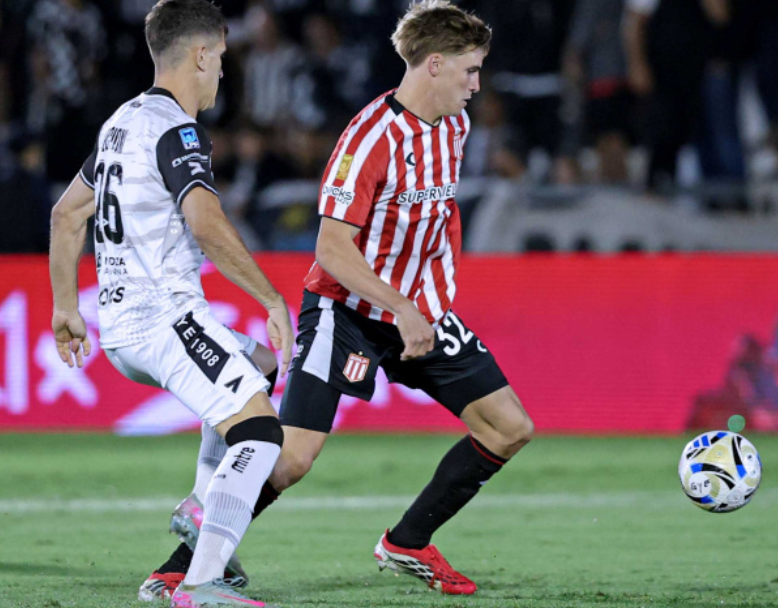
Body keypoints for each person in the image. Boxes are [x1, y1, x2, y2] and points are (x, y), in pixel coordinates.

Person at [142, 0, 534, 598]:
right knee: (292, 459)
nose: (477, 85)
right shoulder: (370, 138)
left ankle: (407, 542)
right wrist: (400, 306)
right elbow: (330, 248)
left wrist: (424, 298)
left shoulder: (454, 125)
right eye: (470, 70)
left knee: (508, 427)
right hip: (345, 312)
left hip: (418, 313)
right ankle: (179, 567)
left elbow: (431, 216)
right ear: (434, 64)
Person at [48, 1, 294, 607]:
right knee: (260, 433)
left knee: (259, 365)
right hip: (163, 320)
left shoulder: (121, 122)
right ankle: (201, 585)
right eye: (222, 58)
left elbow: (67, 213)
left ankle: (200, 507)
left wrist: (65, 308)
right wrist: (270, 298)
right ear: (201, 54)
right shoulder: (178, 132)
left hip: (120, 326)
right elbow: (206, 223)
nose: (223, 72)